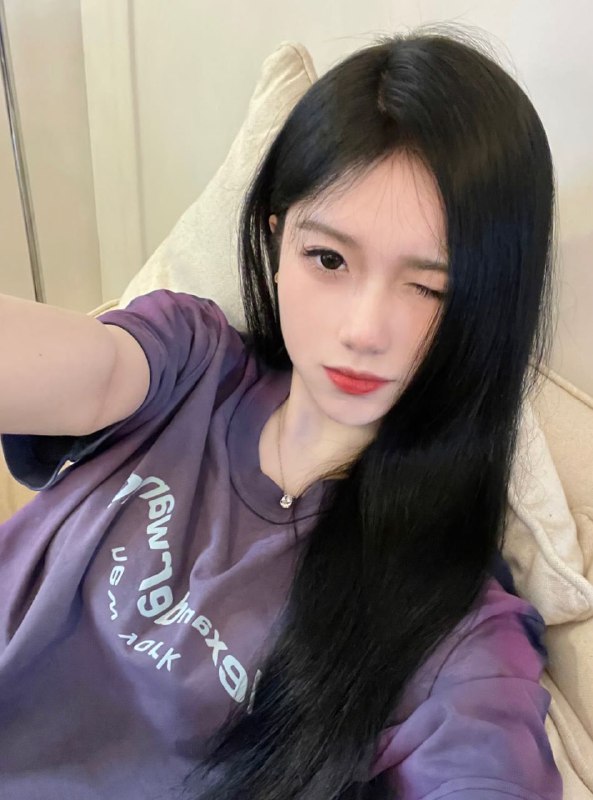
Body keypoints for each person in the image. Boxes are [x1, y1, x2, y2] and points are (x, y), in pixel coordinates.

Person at [0, 27, 563, 800]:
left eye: (428, 287)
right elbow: (86, 371)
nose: (362, 329)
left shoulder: (459, 631)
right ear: (275, 244)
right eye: (327, 259)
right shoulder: (187, 358)